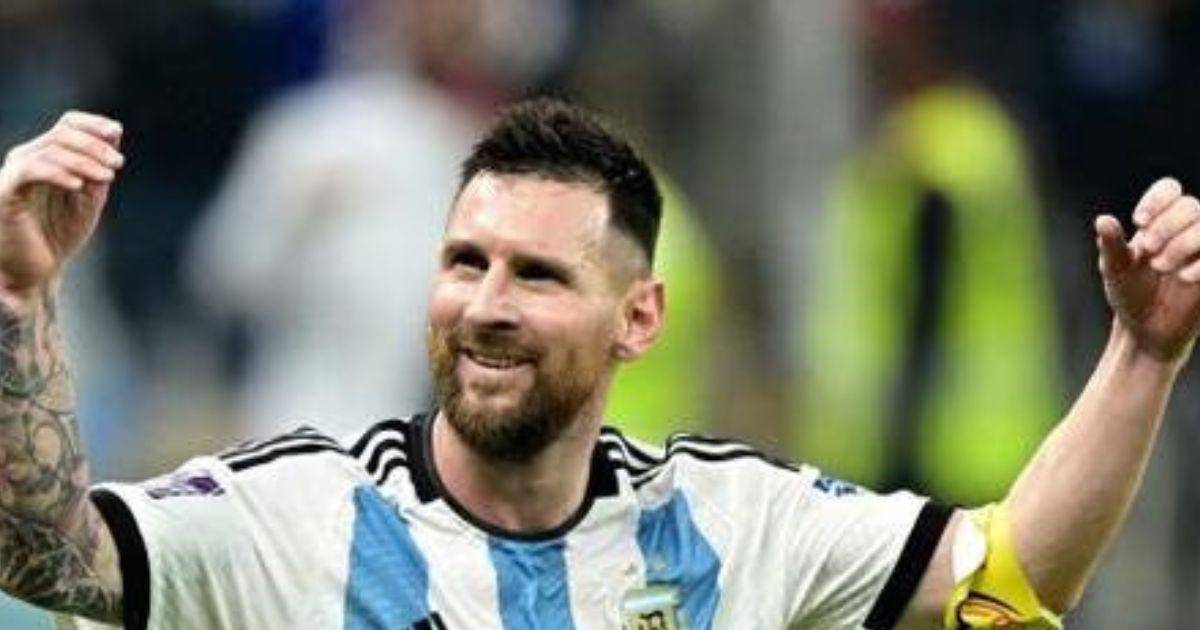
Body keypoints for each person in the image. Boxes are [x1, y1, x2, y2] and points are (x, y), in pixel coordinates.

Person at [0, 101, 1196, 630]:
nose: (486, 306)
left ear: (639, 318)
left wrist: (1144, 354)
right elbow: (49, 557)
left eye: (536, 274)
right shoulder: (295, 516)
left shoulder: (736, 524)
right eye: (465, 261)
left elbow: (1013, 577)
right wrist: (16, 298)